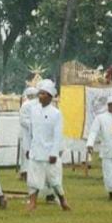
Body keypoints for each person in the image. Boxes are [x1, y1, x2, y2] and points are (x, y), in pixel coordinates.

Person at [26, 79, 70, 212]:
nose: (41, 96)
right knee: (33, 180)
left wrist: (54, 153)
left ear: (50, 97)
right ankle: (33, 203)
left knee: (55, 181)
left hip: (50, 153)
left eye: (44, 94)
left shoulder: (56, 113)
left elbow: (58, 135)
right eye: (40, 93)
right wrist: (28, 148)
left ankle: (63, 201)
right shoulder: (33, 110)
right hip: (35, 151)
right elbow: (30, 131)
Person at [18, 87, 38, 181]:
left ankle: (31, 173)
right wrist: (33, 125)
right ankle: (25, 172)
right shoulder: (26, 105)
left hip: (35, 132)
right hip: (27, 133)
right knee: (26, 152)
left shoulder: (36, 104)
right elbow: (23, 120)